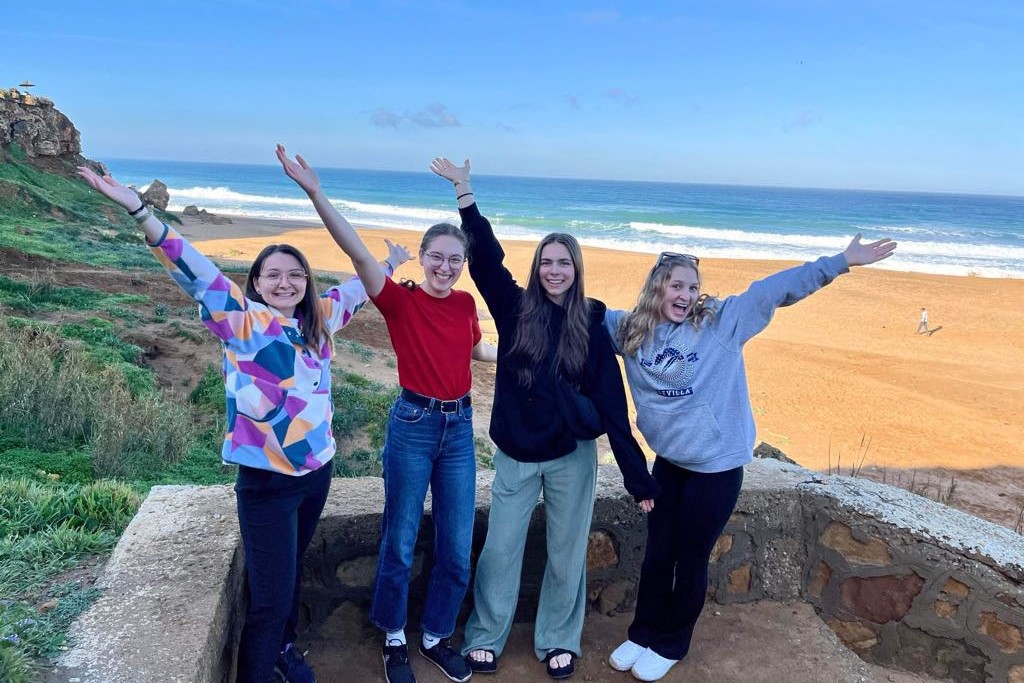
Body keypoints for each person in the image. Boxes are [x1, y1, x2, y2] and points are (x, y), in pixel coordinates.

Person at [77, 165, 411, 683]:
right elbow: (196, 270)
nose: (285, 282)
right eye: (273, 274)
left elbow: (360, 287)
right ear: (255, 282)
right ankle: (262, 664)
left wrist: (390, 259)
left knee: (291, 575)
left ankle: (282, 653)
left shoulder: (320, 320)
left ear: (306, 282)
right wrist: (139, 210)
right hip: (267, 484)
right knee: (270, 599)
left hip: (316, 475)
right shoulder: (244, 322)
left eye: (295, 274)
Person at [604, 236, 897, 682]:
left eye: (691, 287)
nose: (684, 296)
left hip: (716, 469)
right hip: (669, 465)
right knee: (659, 554)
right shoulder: (630, 331)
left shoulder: (721, 324)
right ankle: (643, 633)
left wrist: (840, 262)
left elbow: (773, 290)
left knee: (691, 556)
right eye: (675, 286)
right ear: (657, 288)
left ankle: (671, 643)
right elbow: (575, 318)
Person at [430, 158, 659, 681]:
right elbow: (485, 260)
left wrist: (636, 474)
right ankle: (486, 635)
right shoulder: (514, 307)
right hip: (515, 452)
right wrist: (465, 192)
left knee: (565, 553)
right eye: (547, 262)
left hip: (571, 457)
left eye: (564, 263)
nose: (555, 270)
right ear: (537, 268)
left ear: (576, 269)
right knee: (500, 551)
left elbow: (610, 402)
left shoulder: (594, 318)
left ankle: (559, 638)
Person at [277, 146, 496, 683]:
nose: (446, 267)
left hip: (460, 429)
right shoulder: (399, 301)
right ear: (422, 258)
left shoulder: (466, 306)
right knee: (398, 540)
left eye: (455, 260)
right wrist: (315, 191)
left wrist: (526, 350)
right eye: (437, 257)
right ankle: (395, 638)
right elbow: (355, 252)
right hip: (414, 427)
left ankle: (437, 635)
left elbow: (475, 352)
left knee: (456, 543)